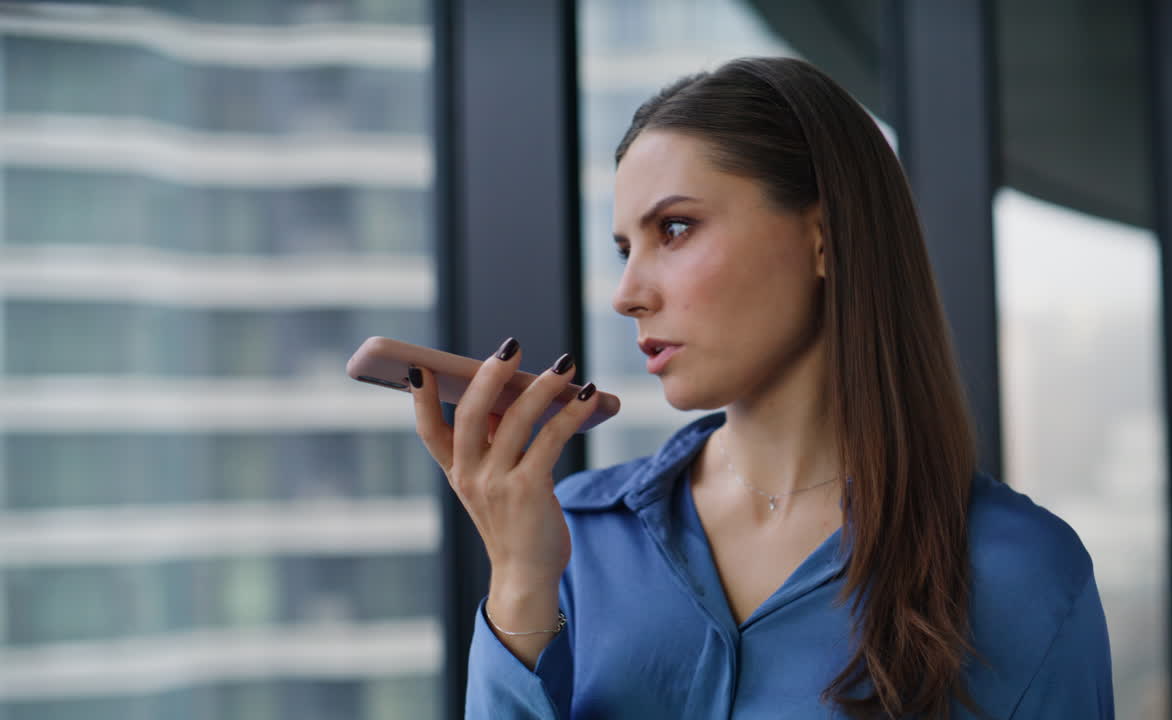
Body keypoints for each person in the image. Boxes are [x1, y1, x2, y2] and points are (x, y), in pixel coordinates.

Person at [407, 56, 1113, 719]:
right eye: (625, 250)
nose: (626, 294)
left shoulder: (1022, 575)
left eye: (674, 229)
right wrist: (521, 587)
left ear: (824, 237)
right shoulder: (570, 541)